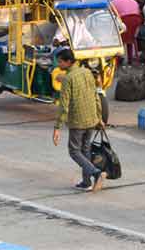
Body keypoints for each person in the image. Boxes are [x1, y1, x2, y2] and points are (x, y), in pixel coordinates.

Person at [52, 49, 106, 192]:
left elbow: (64, 106)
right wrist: (99, 117)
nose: (59, 64)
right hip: (91, 118)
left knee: (74, 151)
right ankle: (87, 182)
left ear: (68, 62)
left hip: (78, 121)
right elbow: (96, 95)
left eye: (60, 61)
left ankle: (96, 173)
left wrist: (57, 127)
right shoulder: (87, 72)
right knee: (85, 149)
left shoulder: (68, 79)